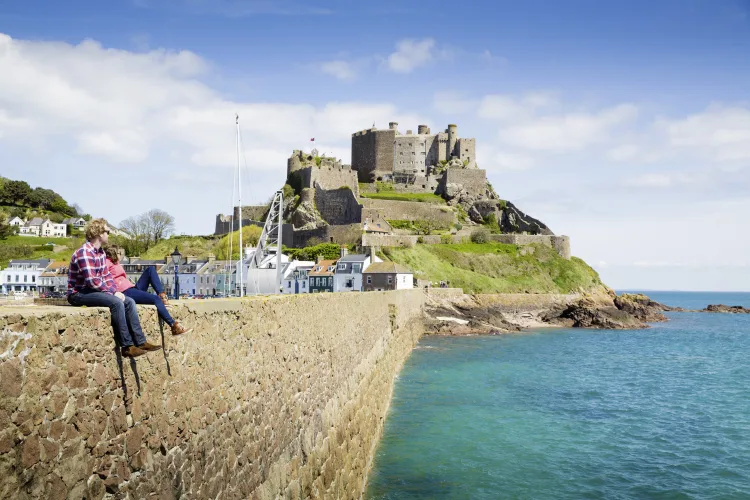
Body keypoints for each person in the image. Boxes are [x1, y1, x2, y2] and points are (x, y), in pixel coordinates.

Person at [67, 219, 160, 358]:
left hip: (92, 291)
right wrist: (113, 293)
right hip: (78, 293)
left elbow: (107, 277)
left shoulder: (100, 253)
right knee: (116, 303)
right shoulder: (84, 252)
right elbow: (92, 280)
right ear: (99, 233)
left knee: (129, 301)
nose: (108, 234)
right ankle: (127, 346)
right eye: (107, 231)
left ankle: (140, 342)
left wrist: (115, 290)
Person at [103, 245, 191, 336]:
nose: (121, 255)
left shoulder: (116, 263)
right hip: (125, 292)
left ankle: (162, 296)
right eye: (119, 253)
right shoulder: (106, 262)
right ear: (113, 253)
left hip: (132, 288)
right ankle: (173, 326)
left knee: (151, 270)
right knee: (156, 299)